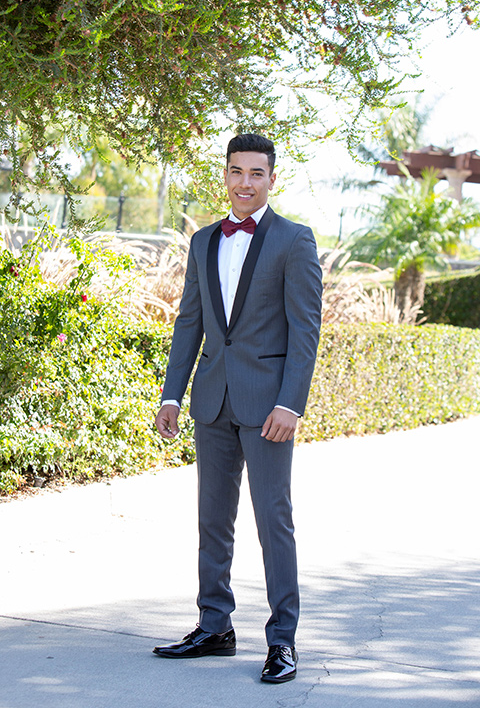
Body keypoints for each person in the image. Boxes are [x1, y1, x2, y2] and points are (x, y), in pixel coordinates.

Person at [153, 133, 323, 683]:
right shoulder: (203, 241)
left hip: (269, 406)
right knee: (212, 520)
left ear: (272, 179)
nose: (245, 183)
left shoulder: (294, 241)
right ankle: (215, 626)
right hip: (212, 401)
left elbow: (305, 331)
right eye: (235, 172)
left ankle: (282, 642)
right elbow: (189, 324)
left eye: (256, 173)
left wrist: (290, 404)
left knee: (274, 521)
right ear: (224, 176)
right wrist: (172, 393)